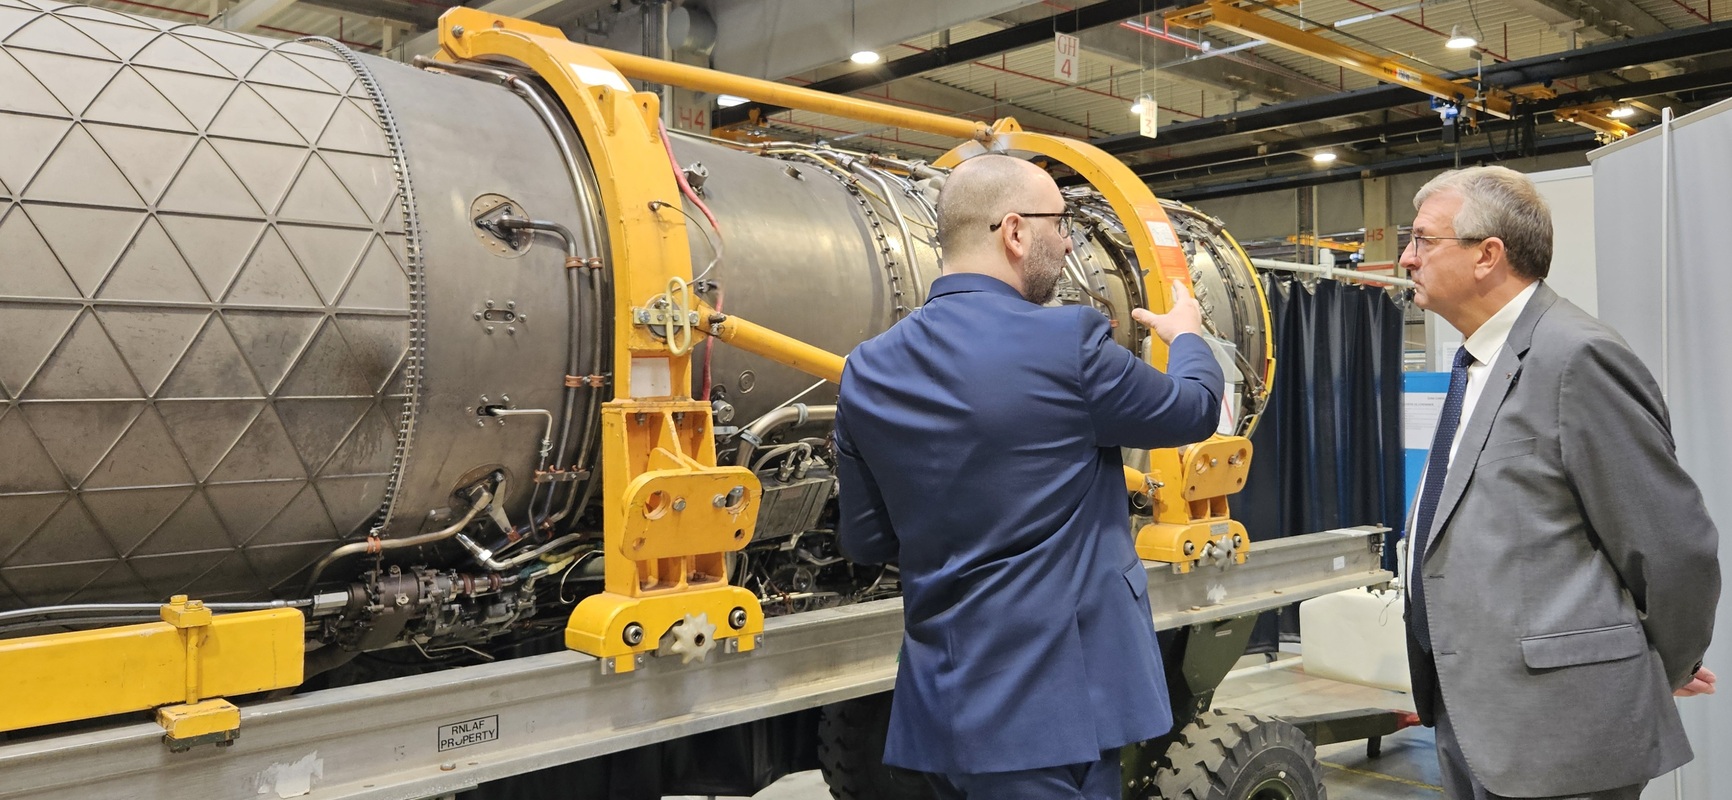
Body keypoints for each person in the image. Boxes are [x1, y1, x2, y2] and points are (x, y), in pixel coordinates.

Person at [831, 153, 1225, 800]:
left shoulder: (867, 370)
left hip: (940, 712)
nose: (1068, 243)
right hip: (1056, 716)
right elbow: (1194, 408)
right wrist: (1186, 337)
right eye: (1061, 224)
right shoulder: (1067, 343)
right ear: (1014, 231)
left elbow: (867, 542)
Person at [1399, 165, 1720, 800]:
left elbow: (1671, 546)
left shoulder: (1576, 356)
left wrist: (1658, 665)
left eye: (1423, 240)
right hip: (1475, 713)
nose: (1407, 258)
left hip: (1563, 730)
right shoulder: (1479, 361)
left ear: (1487, 255)